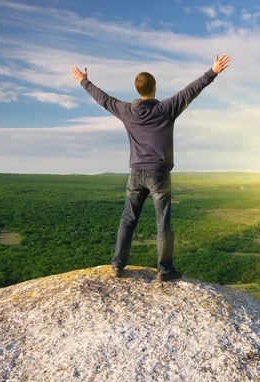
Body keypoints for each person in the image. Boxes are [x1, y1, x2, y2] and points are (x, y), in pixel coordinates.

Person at [71, 54, 231, 281]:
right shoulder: (167, 108)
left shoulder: (126, 110)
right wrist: (212, 71)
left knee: (127, 220)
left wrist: (83, 81)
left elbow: (103, 99)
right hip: (159, 174)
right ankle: (165, 270)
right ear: (155, 88)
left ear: (138, 90)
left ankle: (117, 265)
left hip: (135, 174)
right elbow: (191, 90)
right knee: (162, 223)